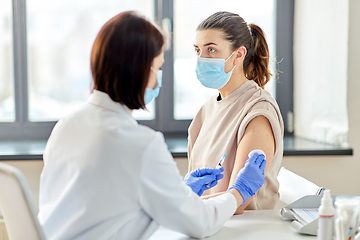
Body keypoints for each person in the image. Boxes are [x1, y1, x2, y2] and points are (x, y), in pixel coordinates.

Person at [38, 11, 267, 240]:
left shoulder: (66, 126)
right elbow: (201, 223)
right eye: (157, 68)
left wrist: (180, 193)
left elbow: (108, 202)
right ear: (138, 71)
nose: (158, 79)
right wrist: (238, 192)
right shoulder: (140, 144)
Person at [187, 11, 284, 214]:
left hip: (242, 229)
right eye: (198, 50)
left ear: (238, 55)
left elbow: (239, 202)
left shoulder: (257, 110)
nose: (201, 58)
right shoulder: (207, 109)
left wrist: (179, 203)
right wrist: (183, 199)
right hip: (205, 221)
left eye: (211, 50)